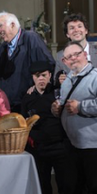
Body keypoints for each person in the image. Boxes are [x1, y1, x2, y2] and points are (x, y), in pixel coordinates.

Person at [21, 61, 77, 194]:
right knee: (42, 185)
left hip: (60, 145)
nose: (41, 78)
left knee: (66, 184)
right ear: (32, 77)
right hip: (39, 148)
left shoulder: (58, 92)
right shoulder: (27, 97)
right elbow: (22, 120)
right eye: (37, 75)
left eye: (44, 75)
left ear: (50, 75)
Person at [51, 41, 97, 193]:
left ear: (84, 55)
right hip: (72, 145)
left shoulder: (95, 78)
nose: (73, 59)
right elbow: (64, 103)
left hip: (92, 147)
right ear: (64, 62)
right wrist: (56, 108)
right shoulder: (67, 80)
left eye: (76, 54)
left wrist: (81, 107)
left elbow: (78, 106)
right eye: (68, 57)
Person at [0, 11, 55, 113]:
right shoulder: (2, 47)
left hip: (28, 103)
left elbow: (47, 64)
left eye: (0, 26)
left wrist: (37, 84)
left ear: (12, 25)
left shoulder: (31, 38)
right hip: (7, 105)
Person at [54, 13, 97, 87]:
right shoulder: (60, 56)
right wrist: (60, 80)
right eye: (72, 28)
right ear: (67, 34)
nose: (76, 30)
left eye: (79, 26)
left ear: (86, 30)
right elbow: (55, 81)